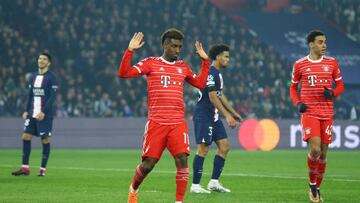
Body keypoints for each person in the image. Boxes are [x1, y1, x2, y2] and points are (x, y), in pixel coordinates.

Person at [118, 29, 210, 203]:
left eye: (180, 47)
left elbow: (200, 83)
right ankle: (133, 188)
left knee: (182, 159)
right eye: (174, 46)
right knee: (148, 165)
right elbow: (124, 73)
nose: (177, 50)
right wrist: (130, 51)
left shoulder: (183, 66)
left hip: (177, 123)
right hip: (157, 123)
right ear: (165, 45)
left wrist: (205, 61)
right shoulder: (150, 63)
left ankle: (179, 201)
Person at [290, 30, 345, 202]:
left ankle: (317, 188)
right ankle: (312, 185)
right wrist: (298, 102)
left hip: (327, 113)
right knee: (315, 150)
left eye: (325, 42)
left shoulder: (332, 63)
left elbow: (341, 85)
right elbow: (293, 88)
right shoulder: (299, 64)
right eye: (320, 42)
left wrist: (333, 93)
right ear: (311, 44)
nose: (324, 45)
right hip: (310, 112)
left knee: (323, 155)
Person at [190, 44, 243, 194]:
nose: (228, 59)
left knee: (224, 147)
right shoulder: (210, 73)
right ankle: (195, 185)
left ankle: (213, 182)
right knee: (203, 149)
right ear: (218, 57)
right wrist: (226, 116)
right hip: (203, 116)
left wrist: (232, 112)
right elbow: (213, 97)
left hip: (213, 116)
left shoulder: (218, 74)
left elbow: (220, 95)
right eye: (226, 56)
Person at [12, 52, 58, 177]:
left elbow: (52, 97)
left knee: (45, 139)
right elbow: (30, 95)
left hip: (45, 115)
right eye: (39, 58)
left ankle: (42, 169)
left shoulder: (51, 77)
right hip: (32, 113)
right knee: (25, 136)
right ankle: (25, 168)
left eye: (44, 59)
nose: (41, 61)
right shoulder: (33, 76)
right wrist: (26, 110)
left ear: (48, 63)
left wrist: (43, 112)